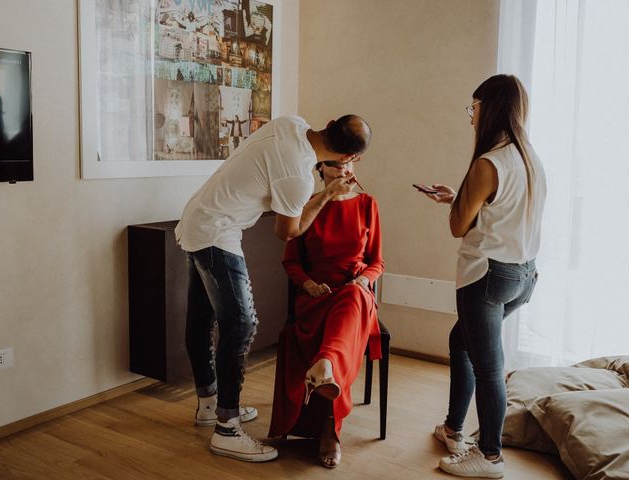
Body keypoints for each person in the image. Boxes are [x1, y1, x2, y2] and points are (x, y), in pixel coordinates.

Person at [175, 114, 372, 463]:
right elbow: (288, 232)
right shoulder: (298, 176)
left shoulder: (289, 123)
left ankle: (209, 405)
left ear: (328, 124)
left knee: (202, 319)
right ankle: (227, 429)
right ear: (347, 159)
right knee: (242, 324)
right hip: (217, 232)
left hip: (197, 218)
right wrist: (327, 193)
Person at [416, 74, 546, 478]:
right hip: (523, 276)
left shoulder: (488, 162)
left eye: (473, 108)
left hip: (488, 276)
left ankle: (490, 456)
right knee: (462, 340)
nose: (471, 117)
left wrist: (457, 203)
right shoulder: (529, 158)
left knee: (489, 365)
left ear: (489, 109)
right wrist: (458, 198)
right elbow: (497, 213)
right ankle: (454, 428)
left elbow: (459, 227)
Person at [268, 159, 384, 468]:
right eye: (335, 163)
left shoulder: (367, 203)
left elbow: (377, 262)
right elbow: (290, 262)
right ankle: (327, 370)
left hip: (355, 294)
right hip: (317, 295)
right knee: (336, 319)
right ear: (321, 168)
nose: (343, 168)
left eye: (348, 162)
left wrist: (363, 279)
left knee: (352, 299)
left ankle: (329, 422)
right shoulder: (306, 206)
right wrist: (307, 283)